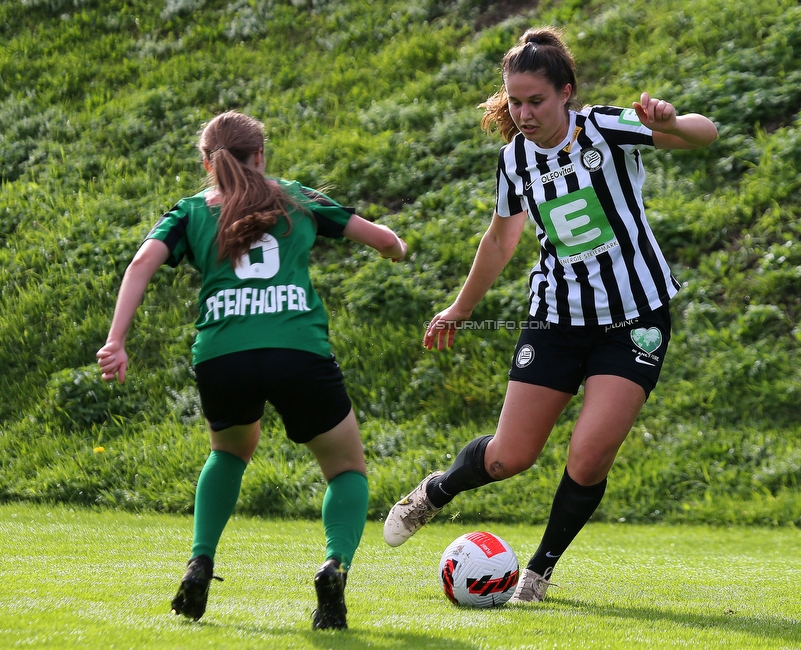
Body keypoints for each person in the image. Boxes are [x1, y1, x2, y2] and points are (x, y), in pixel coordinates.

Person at [383, 27, 717, 602]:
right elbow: (501, 240)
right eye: (515, 101)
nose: (524, 112)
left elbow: (703, 136)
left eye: (536, 100)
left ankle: (536, 573)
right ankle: (435, 492)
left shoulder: (606, 128)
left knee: (589, 458)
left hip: (635, 317)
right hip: (557, 319)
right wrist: (460, 310)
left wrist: (667, 120)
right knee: (510, 457)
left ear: (567, 92)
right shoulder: (514, 158)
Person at [97, 110, 407, 629]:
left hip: (223, 356)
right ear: (260, 155)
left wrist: (116, 340)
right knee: (346, 469)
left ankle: (200, 560)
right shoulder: (295, 197)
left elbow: (140, 264)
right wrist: (397, 249)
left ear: (206, 161)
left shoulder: (190, 211)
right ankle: (335, 564)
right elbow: (380, 239)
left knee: (229, 452)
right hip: (297, 351)